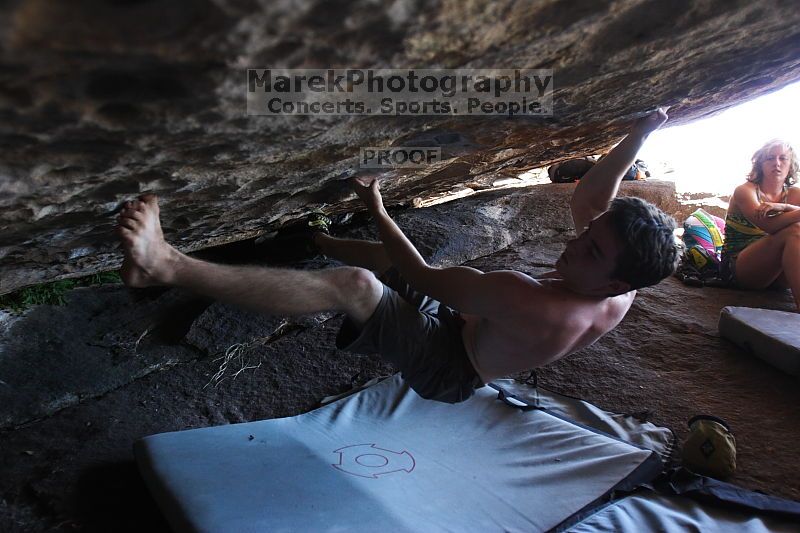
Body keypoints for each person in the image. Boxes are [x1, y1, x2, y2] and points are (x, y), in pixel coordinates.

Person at [117, 108, 678, 404]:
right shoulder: (619, 277)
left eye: (592, 248)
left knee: (359, 285)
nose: (576, 240)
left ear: (610, 281)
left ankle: (164, 265)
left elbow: (420, 275)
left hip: (449, 366)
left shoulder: (528, 298)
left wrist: (376, 203)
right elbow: (592, 198)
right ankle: (316, 239)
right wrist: (642, 132)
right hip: (469, 323)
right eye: (590, 233)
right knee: (381, 264)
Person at [721, 140, 800, 310]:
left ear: (791, 165)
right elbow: (769, 226)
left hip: (778, 273)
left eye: (783, 158)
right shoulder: (745, 191)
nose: (776, 163)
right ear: (760, 164)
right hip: (741, 268)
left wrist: (785, 206)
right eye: (770, 158)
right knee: (795, 231)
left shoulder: (795, 194)